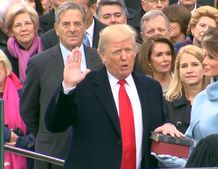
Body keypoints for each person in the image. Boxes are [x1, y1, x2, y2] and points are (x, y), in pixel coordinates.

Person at [45, 24, 182, 169]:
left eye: (128, 50)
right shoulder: (84, 86)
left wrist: (168, 125)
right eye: (117, 52)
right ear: (102, 55)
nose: (124, 57)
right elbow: (55, 125)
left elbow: (159, 123)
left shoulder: (151, 88)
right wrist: (67, 87)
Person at [154, 28, 218, 167]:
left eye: (210, 57)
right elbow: (191, 145)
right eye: (205, 56)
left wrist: (185, 166)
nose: (204, 61)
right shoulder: (202, 97)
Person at [20, 2, 100, 169]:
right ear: (56, 28)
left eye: (77, 23)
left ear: (85, 26)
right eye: (66, 24)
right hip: (52, 154)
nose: (72, 29)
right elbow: (28, 110)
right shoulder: (39, 63)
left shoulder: (99, 59)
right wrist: (48, 134)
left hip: (93, 151)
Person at [0, 49, 35, 169]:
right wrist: (6, 134)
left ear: (5, 66)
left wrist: (20, 141)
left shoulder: (24, 92)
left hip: (25, 157)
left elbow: (40, 130)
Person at [164, 45, 210, 133]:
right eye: (184, 66)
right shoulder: (167, 102)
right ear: (178, 71)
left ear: (204, 67)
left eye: (195, 64)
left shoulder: (215, 100)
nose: (189, 70)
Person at [41, 0, 105, 50]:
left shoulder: (108, 34)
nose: (74, 12)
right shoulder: (48, 38)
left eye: (79, 8)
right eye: (69, 7)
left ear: (93, 8)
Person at [4, 2, 42, 82]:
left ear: (35, 26)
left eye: (28, 23)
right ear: (11, 31)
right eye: (18, 25)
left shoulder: (47, 48)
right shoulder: (5, 57)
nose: (24, 29)